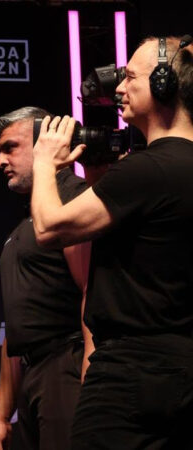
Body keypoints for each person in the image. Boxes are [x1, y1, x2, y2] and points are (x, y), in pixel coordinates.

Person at [28, 36, 193, 449]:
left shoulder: (147, 170)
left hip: (131, 372)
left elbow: (49, 227)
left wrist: (45, 163)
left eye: (130, 78)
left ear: (163, 83)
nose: (118, 88)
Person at [0, 107, 90, 450]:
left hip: (67, 367)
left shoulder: (72, 199)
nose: (0, 162)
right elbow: (18, 328)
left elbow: (93, 291)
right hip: (32, 374)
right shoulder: (23, 227)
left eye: (10, 147)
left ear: (45, 144)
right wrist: (0, 415)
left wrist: (90, 372)